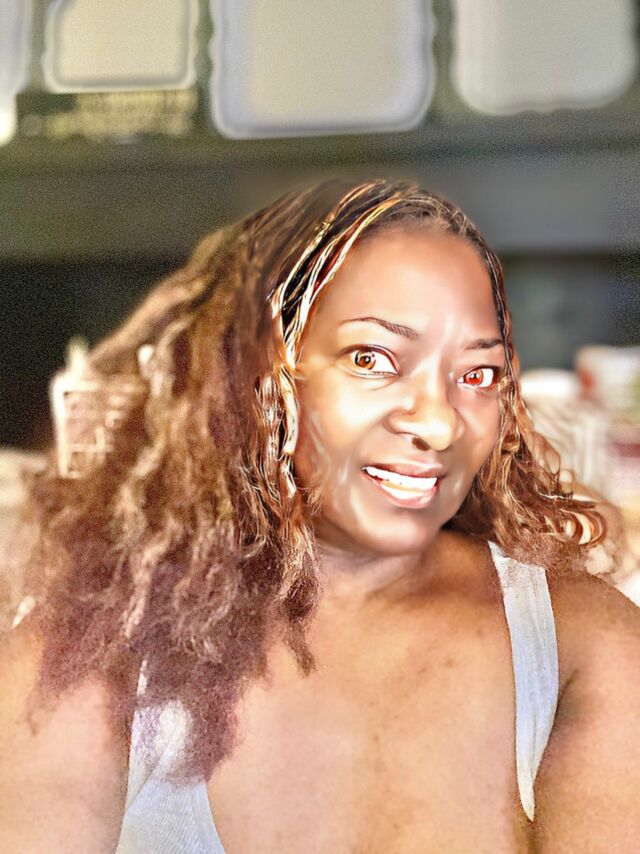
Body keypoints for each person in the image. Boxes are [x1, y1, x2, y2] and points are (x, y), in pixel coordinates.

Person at [1, 178, 638, 853]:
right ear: (251, 375)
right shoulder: (86, 663)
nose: (439, 423)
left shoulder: (582, 648)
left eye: (477, 375)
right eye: (372, 359)